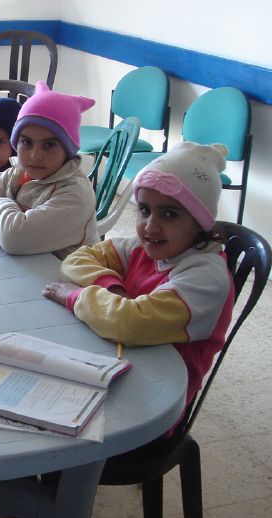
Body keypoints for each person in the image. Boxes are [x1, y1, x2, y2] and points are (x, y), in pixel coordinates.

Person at [43, 141, 234, 430]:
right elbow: (78, 257)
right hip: (122, 365)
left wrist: (75, 296)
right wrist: (112, 286)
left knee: (48, 420)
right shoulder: (143, 249)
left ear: (200, 222)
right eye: (144, 210)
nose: (150, 226)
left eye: (169, 214)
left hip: (153, 408)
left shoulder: (205, 278)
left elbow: (129, 322)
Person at [0, 81, 99, 258]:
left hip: (67, 279)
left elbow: (14, 239)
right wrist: (3, 227)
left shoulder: (76, 195)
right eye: (26, 142)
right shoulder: (19, 172)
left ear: (68, 149)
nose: (34, 156)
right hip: (26, 270)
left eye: (49, 145)